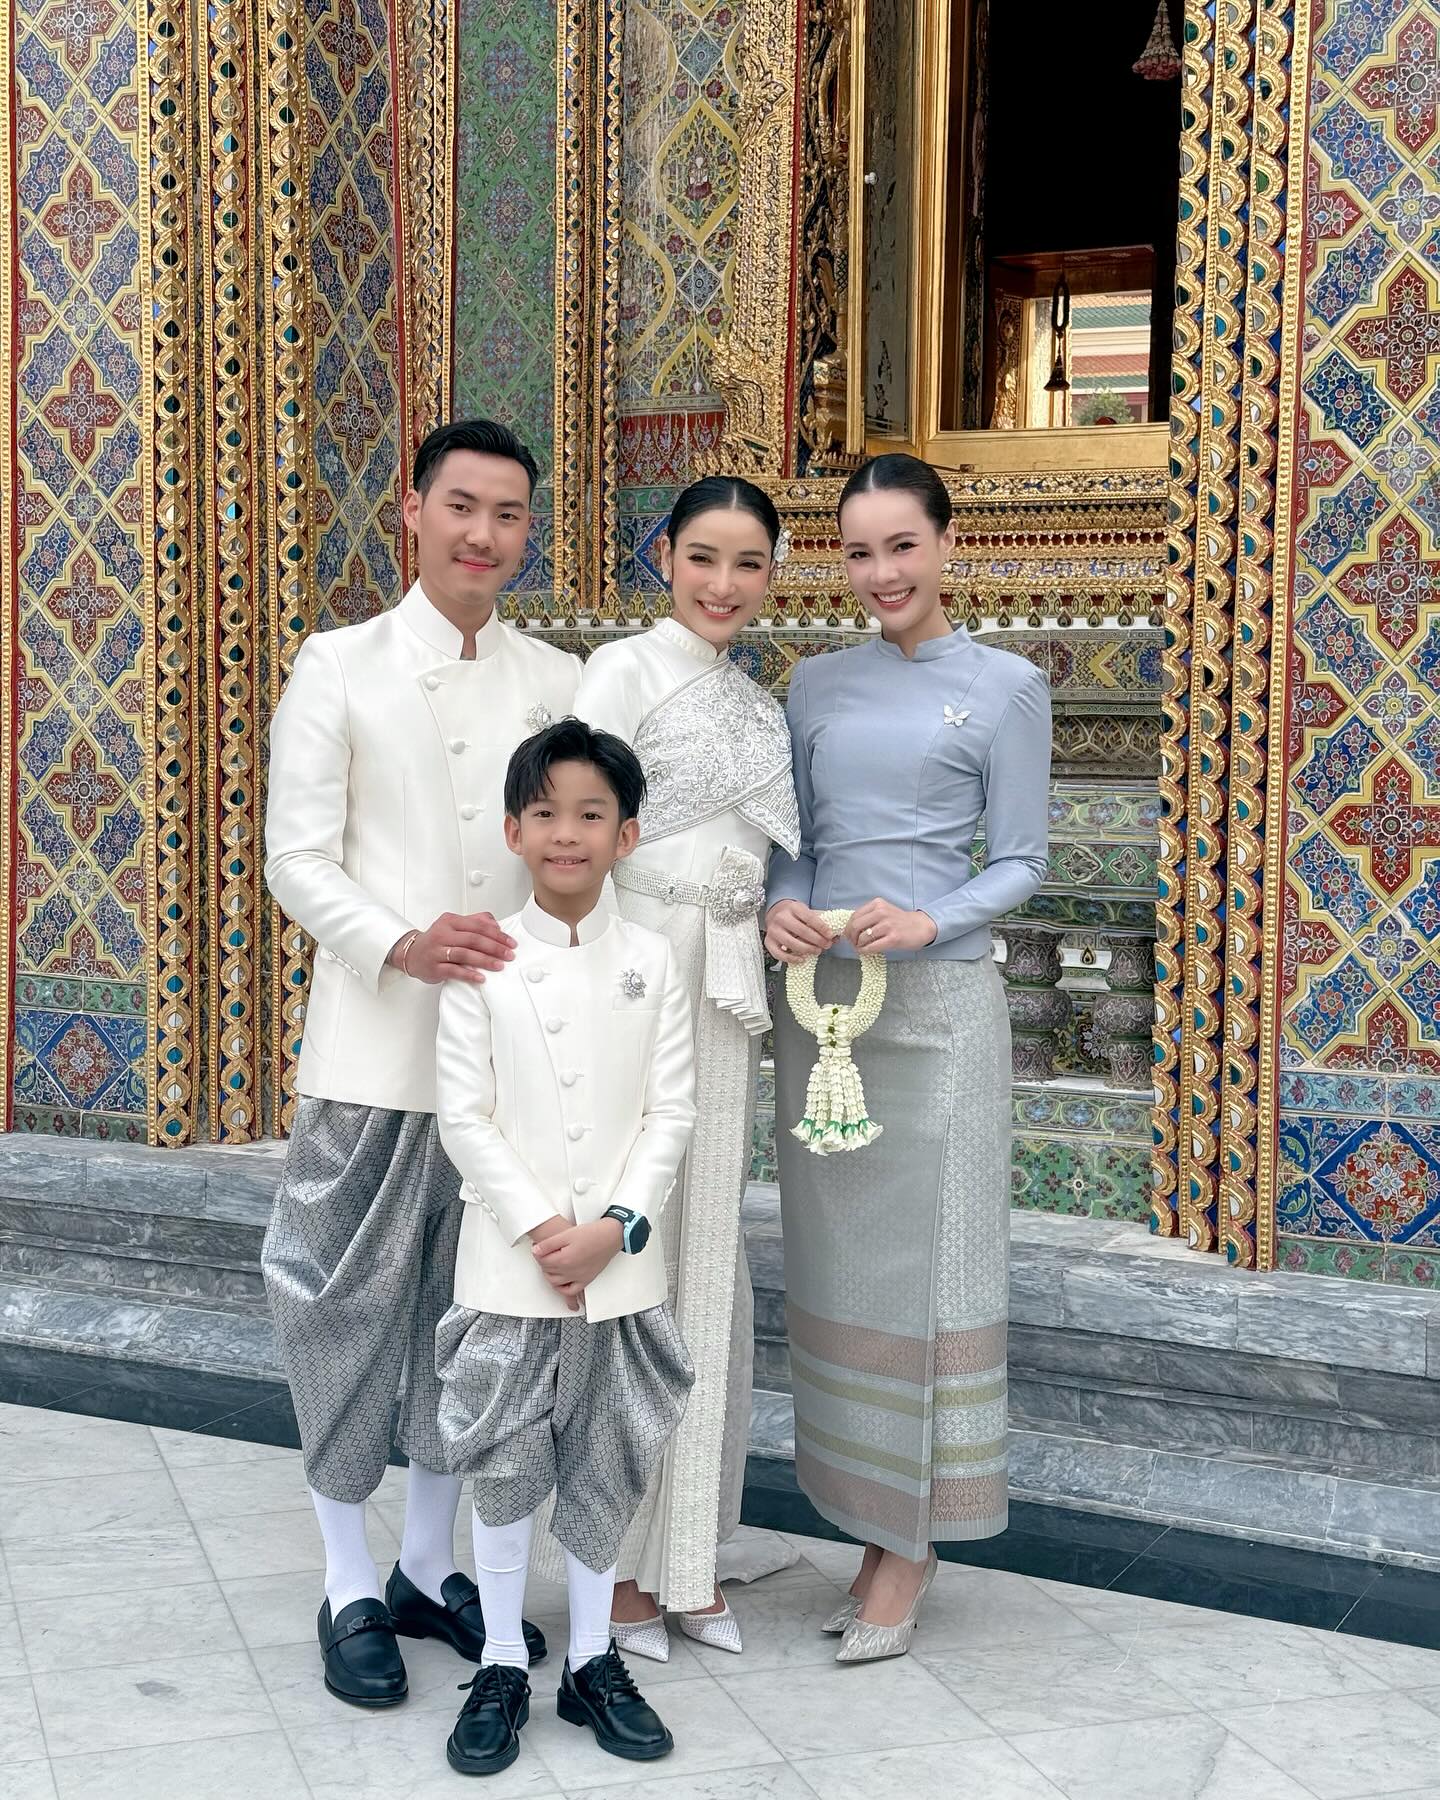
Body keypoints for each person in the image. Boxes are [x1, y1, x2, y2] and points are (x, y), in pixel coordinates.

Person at [262, 419, 577, 1706]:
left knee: (476, 1315)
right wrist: (402, 940)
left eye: (508, 514)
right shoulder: (338, 664)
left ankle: (429, 1567)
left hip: (506, 1067)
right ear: (412, 509)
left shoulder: (554, 678)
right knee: (340, 1308)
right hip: (374, 1052)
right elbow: (297, 858)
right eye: (461, 505)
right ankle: (347, 1578)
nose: (482, 535)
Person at [764, 452, 1052, 1663]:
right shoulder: (813, 684)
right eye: (859, 551)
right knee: (841, 1263)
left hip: (937, 1009)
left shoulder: (1006, 686)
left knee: (934, 1269)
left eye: (901, 546)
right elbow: (795, 842)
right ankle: (867, 1521)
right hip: (824, 1008)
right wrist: (781, 907)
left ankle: (913, 1548)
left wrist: (933, 919)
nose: (881, 572)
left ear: (945, 544)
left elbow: (1022, 860)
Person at [433, 719, 696, 1777]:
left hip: (621, 1270)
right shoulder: (484, 963)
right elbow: (464, 1116)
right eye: (545, 813)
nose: (567, 834)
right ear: (514, 830)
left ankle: (592, 1660)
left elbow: (670, 1112)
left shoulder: (653, 960)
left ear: (626, 835)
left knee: (603, 1459)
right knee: (504, 1464)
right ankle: (501, 1660)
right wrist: (545, 1231)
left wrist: (616, 1227)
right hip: (511, 1265)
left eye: (591, 815)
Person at [573, 475, 800, 1657]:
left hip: (726, 990)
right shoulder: (618, 673)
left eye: (748, 563)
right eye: (703, 557)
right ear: (663, 555)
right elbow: (575, 838)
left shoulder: (759, 706)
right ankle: (611, 1567)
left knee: (708, 1258)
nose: (723, 583)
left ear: (773, 574)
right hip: (633, 983)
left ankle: (690, 1560)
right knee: (634, 1264)